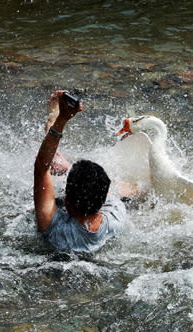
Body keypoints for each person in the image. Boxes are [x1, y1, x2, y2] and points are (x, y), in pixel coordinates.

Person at [34, 90, 127, 253]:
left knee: (54, 162)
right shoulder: (116, 217)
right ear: (104, 201)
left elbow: (41, 168)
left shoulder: (56, 229)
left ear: (66, 200)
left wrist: (62, 119)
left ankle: (53, 119)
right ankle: (64, 167)